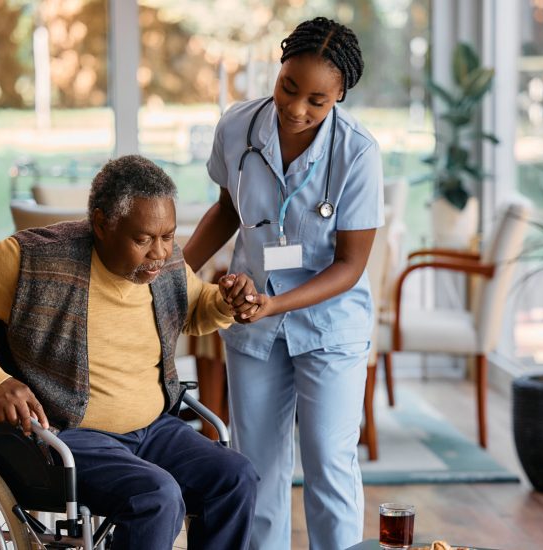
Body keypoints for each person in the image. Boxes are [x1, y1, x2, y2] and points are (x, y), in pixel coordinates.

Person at [0, 155, 260, 550]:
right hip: (68, 436)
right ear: (102, 224)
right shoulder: (32, 260)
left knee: (235, 476)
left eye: (168, 236)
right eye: (143, 240)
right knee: (155, 497)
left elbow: (192, 310)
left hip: (153, 428)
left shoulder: (166, 261)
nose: (160, 253)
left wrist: (226, 302)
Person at [184, 16, 383, 550]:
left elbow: (350, 266)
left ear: (341, 95)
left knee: (328, 463)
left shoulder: (358, 154)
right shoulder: (238, 128)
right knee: (258, 467)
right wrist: (174, 273)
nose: (296, 109)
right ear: (278, 71)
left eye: (317, 100)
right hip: (253, 324)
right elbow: (226, 210)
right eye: (288, 88)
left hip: (329, 325)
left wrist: (277, 304)